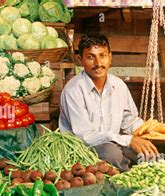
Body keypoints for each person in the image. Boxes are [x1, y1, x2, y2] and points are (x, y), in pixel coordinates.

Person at [59, 33, 158, 171]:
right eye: (90, 57)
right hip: (83, 147)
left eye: (102, 56)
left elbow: (129, 121)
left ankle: (145, 178)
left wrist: (149, 129)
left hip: (115, 142)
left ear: (110, 57)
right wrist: (128, 140)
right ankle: (126, 184)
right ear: (80, 60)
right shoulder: (73, 90)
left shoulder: (118, 85)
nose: (98, 63)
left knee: (149, 153)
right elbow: (85, 136)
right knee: (112, 155)